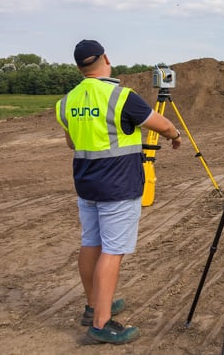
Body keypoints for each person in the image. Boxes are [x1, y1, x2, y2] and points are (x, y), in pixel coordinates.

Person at [56, 40, 183, 345]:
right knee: (112, 251)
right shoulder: (121, 96)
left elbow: (72, 143)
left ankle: (93, 305)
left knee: (91, 244)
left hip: (86, 184)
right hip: (118, 187)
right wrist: (176, 136)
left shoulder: (66, 102)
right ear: (106, 59)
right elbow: (162, 124)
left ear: (78, 68)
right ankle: (101, 323)